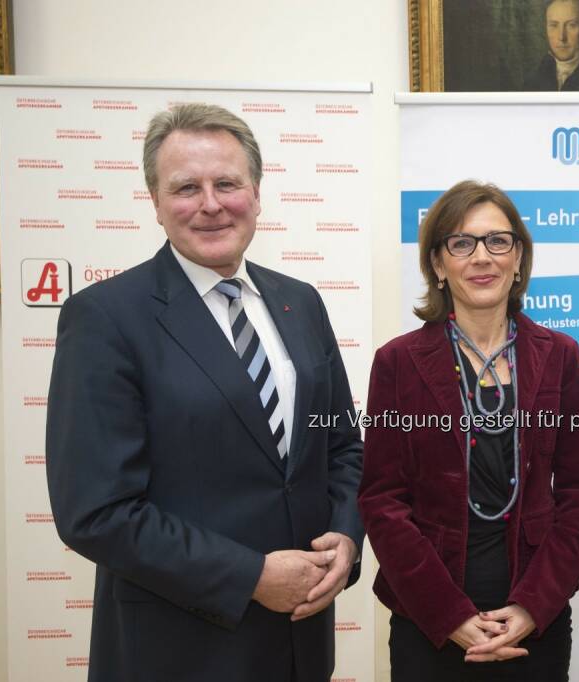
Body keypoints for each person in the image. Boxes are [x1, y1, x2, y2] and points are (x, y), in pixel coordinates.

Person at [45, 103, 364, 682]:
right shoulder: (105, 318)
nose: (211, 203)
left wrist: (345, 533)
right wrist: (250, 576)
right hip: (179, 648)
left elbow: (340, 444)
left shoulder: (301, 302)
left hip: (301, 641)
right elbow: (95, 511)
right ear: (157, 202)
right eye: (187, 187)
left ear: (257, 193)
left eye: (227, 183)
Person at [358, 180, 579, 681]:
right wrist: (451, 616)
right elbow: (383, 501)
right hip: (431, 623)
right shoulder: (398, 363)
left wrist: (534, 606)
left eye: (498, 241)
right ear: (438, 265)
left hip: (534, 622)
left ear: (518, 259)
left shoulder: (561, 356)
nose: (482, 257)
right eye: (461, 243)